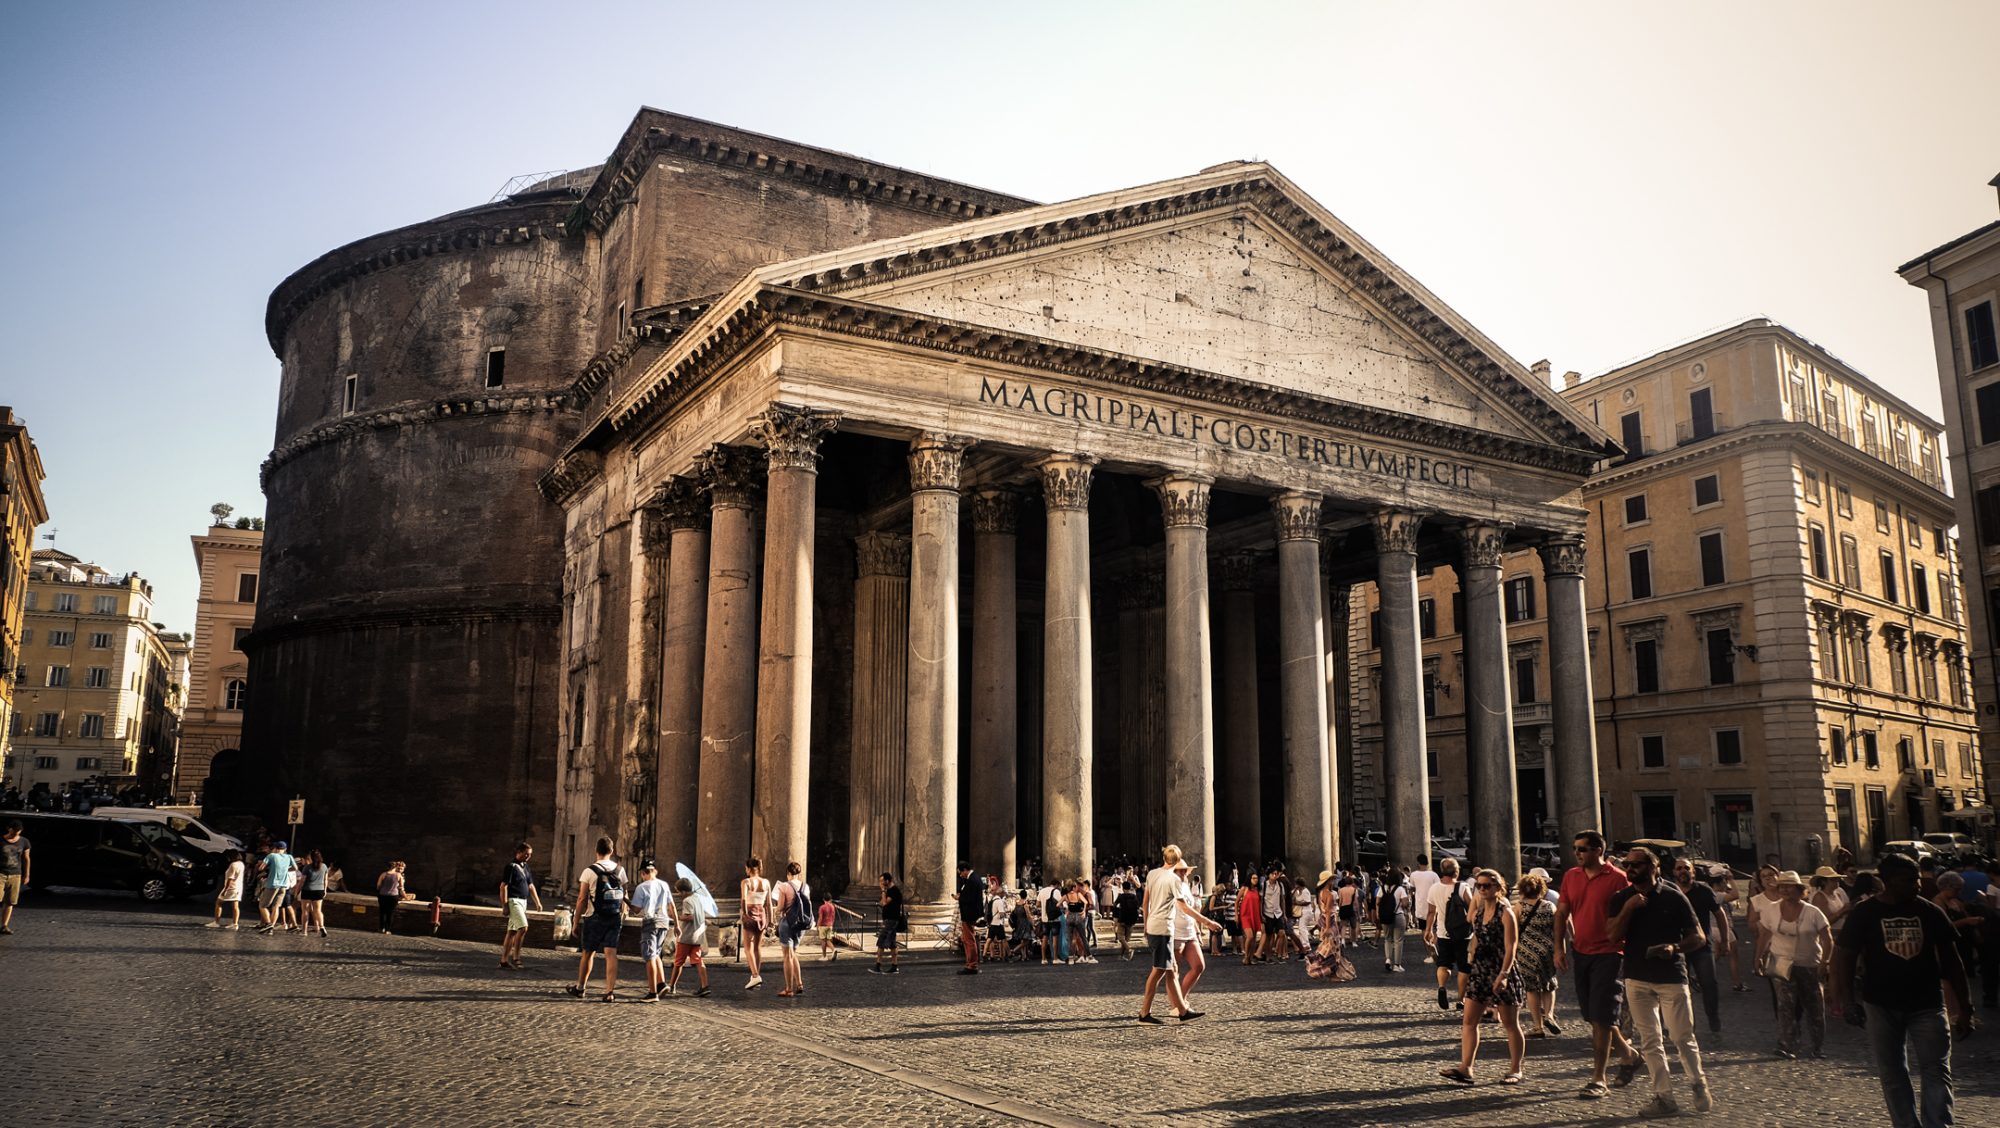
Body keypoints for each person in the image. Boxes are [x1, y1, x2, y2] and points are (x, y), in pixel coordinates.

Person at [1833, 852, 1971, 1128]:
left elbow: (1953, 962)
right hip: (1880, 1003)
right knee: (1893, 1073)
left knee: (1937, 1069)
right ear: (1887, 882)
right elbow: (1844, 957)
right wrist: (1847, 1001)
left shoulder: (1929, 911)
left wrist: (1966, 1008)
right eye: (1908, 880)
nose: (1917, 885)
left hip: (1928, 1002)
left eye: (1917, 879)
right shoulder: (1865, 913)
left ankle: (1938, 1124)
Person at [1606, 845, 1710, 1118]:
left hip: (1671, 977)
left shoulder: (1674, 898)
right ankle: (1664, 1097)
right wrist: (1629, 908)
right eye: (1627, 864)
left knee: (1681, 1037)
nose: (1630, 869)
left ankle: (1697, 1082)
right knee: (1650, 1041)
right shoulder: (1620, 899)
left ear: (1654, 868)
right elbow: (1612, 936)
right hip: (1636, 977)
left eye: (1637, 864)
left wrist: (1674, 948)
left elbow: (1698, 937)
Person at [1555, 830, 1644, 1101]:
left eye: (1582, 848)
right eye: (1575, 848)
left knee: (1602, 1017)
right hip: (1581, 951)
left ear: (1598, 851)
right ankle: (1629, 1055)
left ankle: (1598, 1078)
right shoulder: (1571, 876)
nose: (1577, 853)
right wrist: (1558, 947)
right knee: (1593, 1015)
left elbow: (1632, 916)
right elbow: (1562, 913)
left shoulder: (1619, 879)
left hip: (1610, 952)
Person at [1440, 868, 1525, 1085]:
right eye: (1479, 885)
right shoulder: (1477, 913)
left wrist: (1504, 974)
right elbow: (1477, 938)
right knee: (1469, 1021)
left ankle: (1516, 1069)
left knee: (1510, 1023)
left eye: (1487, 885)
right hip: (1480, 969)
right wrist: (1470, 963)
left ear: (1498, 887)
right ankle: (1466, 1068)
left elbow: (1511, 946)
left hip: (1501, 969)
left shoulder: (1506, 913)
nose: (1483, 889)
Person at [1754, 870, 1830, 1059]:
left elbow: (1827, 939)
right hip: (1781, 962)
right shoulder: (1771, 909)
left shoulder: (1813, 912)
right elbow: (1764, 935)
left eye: (1789, 886)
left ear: (1800, 890)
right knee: (1785, 1005)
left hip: (1809, 964)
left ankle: (1817, 1046)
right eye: (1782, 887)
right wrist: (1758, 958)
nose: (1785, 890)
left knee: (1814, 1006)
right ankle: (1786, 1045)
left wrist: (1825, 962)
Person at [1137, 844, 1200, 1024]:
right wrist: (1207, 922)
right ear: (1178, 860)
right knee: (1158, 971)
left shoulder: (1152, 874)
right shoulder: (1173, 879)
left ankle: (1182, 1010)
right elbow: (1183, 906)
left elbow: (1145, 901)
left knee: (1171, 969)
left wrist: (1146, 925)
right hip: (1164, 928)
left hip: (1154, 926)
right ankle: (1144, 1013)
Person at [567, 837, 629, 1002]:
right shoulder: (620, 870)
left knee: (588, 953)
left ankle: (580, 987)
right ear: (612, 850)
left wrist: (575, 921)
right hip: (614, 917)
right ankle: (609, 992)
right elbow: (625, 895)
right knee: (611, 954)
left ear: (597, 850)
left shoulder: (589, 871)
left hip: (594, 917)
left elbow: (581, 899)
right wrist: (623, 914)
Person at [1672, 857, 1726, 1035]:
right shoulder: (1670, 891)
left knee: (1709, 983)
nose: (1682, 871)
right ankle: (1687, 1024)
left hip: (1703, 946)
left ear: (1693, 872)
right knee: (1681, 988)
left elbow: (1720, 914)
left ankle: (1713, 1016)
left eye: (1686, 868)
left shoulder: (1703, 890)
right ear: (1674, 872)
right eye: (1679, 868)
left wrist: (1724, 941)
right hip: (1679, 947)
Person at [1171, 858, 1223, 1004]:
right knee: (1173, 971)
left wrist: (1197, 931)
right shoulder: (1172, 885)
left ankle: (1181, 998)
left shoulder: (1186, 885)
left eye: (1184, 870)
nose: (1182, 872)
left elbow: (1191, 910)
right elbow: (1184, 908)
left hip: (1189, 930)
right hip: (1175, 931)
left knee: (1199, 966)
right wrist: (1207, 922)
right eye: (1179, 870)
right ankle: (1178, 1005)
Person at [1514, 871, 1560, 1037]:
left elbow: (1514, 930)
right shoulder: (1550, 906)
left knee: (1532, 989)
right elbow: (1558, 930)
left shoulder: (1520, 906)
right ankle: (1548, 1015)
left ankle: (1537, 1027)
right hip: (1547, 949)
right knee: (1549, 984)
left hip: (1526, 951)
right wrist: (1560, 950)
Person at [1423, 858, 1471, 1012]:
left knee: (1444, 964)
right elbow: (1472, 909)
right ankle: (1460, 999)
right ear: (1457, 870)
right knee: (1464, 967)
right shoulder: (1463, 887)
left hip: (1443, 932)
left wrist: (1428, 930)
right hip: (1463, 933)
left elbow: (1431, 912)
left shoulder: (1434, 888)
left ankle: (1442, 987)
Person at [628, 860, 673, 1001]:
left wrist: (624, 899)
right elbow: (671, 906)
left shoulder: (642, 887)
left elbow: (636, 909)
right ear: (655, 871)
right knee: (657, 953)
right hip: (664, 922)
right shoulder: (664, 885)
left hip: (650, 921)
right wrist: (676, 925)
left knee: (649, 956)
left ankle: (652, 992)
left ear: (642, 873)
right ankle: (661, 983)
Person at [497, 841, 542, 969]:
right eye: (526, 854)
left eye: (530, 854)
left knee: (511, 932)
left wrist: (537, 902)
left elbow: (531, 885)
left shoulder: (526, 867)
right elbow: (503, 887)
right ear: (519, 852)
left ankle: (504, 960)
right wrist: (504, 905)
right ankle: (516, 957)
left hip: (523, 902)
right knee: (523, 927)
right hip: (513, 901)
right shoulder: (511, 867)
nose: (528, 856)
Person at [666, 877, 711, 997]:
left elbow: (689, 917)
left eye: (679, 892)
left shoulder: (687, 901)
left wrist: (675, 917)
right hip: (697, 936)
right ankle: (704, 986)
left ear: (684, 891)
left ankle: (672, 986)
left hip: (686, 936)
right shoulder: (698, 899)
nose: (679, 895)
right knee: (698, 961)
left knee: (678, 962)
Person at [772, 860, 811, 997]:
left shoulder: (784, 886)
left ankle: (789, 989)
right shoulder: (806, 887)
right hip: (801, 924)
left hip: (787, 923)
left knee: (787, 956)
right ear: (799, 873)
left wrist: (775, 908)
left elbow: (781, 907)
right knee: (793, 954)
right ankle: (799, 983)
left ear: (788, 873)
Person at [739, 857, 770, 990]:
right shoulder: (766, 882)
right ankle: (755, 977)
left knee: (747, 947)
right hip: (762, 913)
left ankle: (755, 975)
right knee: (757, 948)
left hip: (751, 912)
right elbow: (768, 903)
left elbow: (744, 899)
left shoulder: (746, 882)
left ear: (749, 869)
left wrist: (745, 914)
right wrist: (771, 921)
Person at [255, 840, 296, 935]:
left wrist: (269, 868)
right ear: (285, 849)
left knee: (262, 905)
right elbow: (295, 868)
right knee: (276, 907)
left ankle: (269, 924)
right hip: (283, 886)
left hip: (272, 884)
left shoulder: (271, 856)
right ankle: (271, 929)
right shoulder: (289, 857)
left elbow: (261, 868)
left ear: (275, 848)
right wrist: (285, 869)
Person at [1377, 867, 1411, 973]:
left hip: (1385, 916)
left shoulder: (1382, 888)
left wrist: (1379, 914)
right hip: (1398, 915)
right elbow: (1405, 904)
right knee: (1398, 940)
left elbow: (1377, 902)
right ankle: (1397, 964)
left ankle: (1388, 959)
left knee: (1387, 939)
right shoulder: (1400, 889)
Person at [1, 819, 29, 935]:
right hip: (1, 873)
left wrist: (26, 875)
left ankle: (4, 926)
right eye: (13, 832)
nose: (15, 835)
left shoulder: (24, 842)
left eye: (18, 833)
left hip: (15, 874)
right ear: (9, 829)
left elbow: (27, 858)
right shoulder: (1, 841)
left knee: (10, 902)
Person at [955, 861, 984, 974]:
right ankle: (971, 964)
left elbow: (970, 898)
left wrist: (959, 898)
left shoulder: (972, 880)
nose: (960, 875)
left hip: (969, 914)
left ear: (965, 870)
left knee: (969, 940)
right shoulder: (973, 878)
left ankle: (972, 965)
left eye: (960, 873)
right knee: (968, 939)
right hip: (971, 914)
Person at [872, 872, 904, 974]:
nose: (880, 883)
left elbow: (884, 903)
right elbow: (882, 903)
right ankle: (894, 966)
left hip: (891, 920)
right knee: (892, 944)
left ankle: (878, 965)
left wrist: (882, 890)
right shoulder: (889, 891)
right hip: (890, 920)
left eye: (882, 881)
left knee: (881, 941)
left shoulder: (894, 891)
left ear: (887, 881)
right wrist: (884, 893)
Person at [1410, 854, 1439, 964]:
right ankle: (1435, 949)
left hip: (1421, 906)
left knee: (1424, 931)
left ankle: (1430, 954)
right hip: (1434, 906)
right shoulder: (1434, 875)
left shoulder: (1413, 875)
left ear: (1418, 863)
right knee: (1435, 929)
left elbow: (1412, 887)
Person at [206, 848, 245, 930]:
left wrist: (224, 890)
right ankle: (235, 923)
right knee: (235, 906)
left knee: (218, 903)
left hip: (231, 888)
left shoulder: (233, 865)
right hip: (238, 887)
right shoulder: (241, 864)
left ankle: (216, 922)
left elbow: (230, 879)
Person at [299, 849, 330, 938]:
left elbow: (302, 881)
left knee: (305, 911)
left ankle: (304, 931)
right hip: (319, 890)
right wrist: (325, 890)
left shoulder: (307, 867)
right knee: (318, 911)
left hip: (307, 890)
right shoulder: (324, 866)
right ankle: (322, 926)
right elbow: (325, 879)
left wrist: (298, 890)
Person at [375, 860, 409, 934]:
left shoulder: (383, 874)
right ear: (395, 867)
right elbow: (401, 887)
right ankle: (388, 930)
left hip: (383, 895)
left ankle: (381, 928)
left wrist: (383, 888)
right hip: (393, 896)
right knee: (390, 913)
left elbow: (378, 886)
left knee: (382, 912)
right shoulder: (399, 875)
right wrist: (405, 897)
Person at [1237, 875, 1264, 965]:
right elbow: (1237, 901)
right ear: (1249, 879)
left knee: (1254, 938)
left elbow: (1259, 904)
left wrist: (1261, 916)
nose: (1255, 880)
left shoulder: (1257, 890)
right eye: (1253, 878)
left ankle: (1250, 957)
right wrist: (1236, 915)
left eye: (1256, 878)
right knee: (1250, 936)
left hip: (1255, 914)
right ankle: (1245, 957)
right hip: (1245, 915)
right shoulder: (1244, 888)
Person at [1113, 878, 1141, 960]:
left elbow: (1115, 904)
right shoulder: (1134, 897)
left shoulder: (1121, 896)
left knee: (1120, 937)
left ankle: (1129, 949)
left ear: (1123, 888)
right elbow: (1138, 907)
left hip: (1122, 918)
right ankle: (1121, 956)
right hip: (1131, 920)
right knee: (1126, 939)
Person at [816, 893, 838, 960]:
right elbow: (833, 916)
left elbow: (820, 918)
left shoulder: (822, 907)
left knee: (823, 940)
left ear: (823, 899)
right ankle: (833, 950)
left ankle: (824, 956)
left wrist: (818, 925)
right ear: (830, 899)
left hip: (823, 925)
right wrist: (832, 924)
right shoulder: (832, 907)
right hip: (830, 925)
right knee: (828, 940)